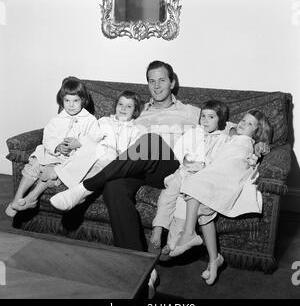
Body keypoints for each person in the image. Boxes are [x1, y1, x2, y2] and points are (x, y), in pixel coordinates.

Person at [49, 61, 270, 254]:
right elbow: (111, 131)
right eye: (151, 81)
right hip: (138, 168)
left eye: (162, 80)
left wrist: (259, 140)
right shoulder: (139, 112)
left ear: (172, 83)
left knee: (151, 140)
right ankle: (137, 263)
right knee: (114, 187)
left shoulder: (189, 111)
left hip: (169, 166)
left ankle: (84, 189)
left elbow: (227, 126)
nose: (156, 86)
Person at [169, 110, 273, 285]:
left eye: (249, 124)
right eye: (243, 119)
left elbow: (259, 148)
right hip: (216, 173)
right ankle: (214, 259)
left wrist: (261, 146)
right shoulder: (229, 136)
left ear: (257, 132)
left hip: (229, 177)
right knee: (202, 209)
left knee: (194, 186)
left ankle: (189, 233)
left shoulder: (251, 142)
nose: (243, 123)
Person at [5, 76, 102, 217]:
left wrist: (78, 143)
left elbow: (95, 139)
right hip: (52, 154)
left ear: (83, 101)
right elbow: (48, 137)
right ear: (62, 101)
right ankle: (17, 198)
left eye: (76, 101)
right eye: (67, 100)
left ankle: (31, 198)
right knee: (35, 163)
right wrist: (57, 147)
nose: (71, 105)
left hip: (69, 159)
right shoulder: (57, 120)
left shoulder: (90, 120)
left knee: (52, 173)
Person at [150, 99, 230, 257]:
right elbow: (179, 149)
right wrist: (185, 159)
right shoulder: (194, 132)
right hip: (183, 171)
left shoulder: (223, 139)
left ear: (220, 120)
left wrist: (203, 165)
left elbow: (220, 161)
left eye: (211, 117)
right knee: (168, 193)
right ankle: (158, 228)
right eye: (203, 116)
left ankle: (173, 243)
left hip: (199, 179)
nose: (205, 120)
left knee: (182, 206)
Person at [45, 90, 143, 189]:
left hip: (113, 163)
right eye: (120, 104)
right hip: (94, 155)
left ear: (135, 111)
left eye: (129, 106)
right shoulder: (104, 121)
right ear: (115, 106)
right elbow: (91, 136)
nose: (123, 108)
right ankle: (61, 173)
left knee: (101, 165)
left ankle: (66, 180)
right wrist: (80, 143)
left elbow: (132, 152)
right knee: (87, 154)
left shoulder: (135, 130)